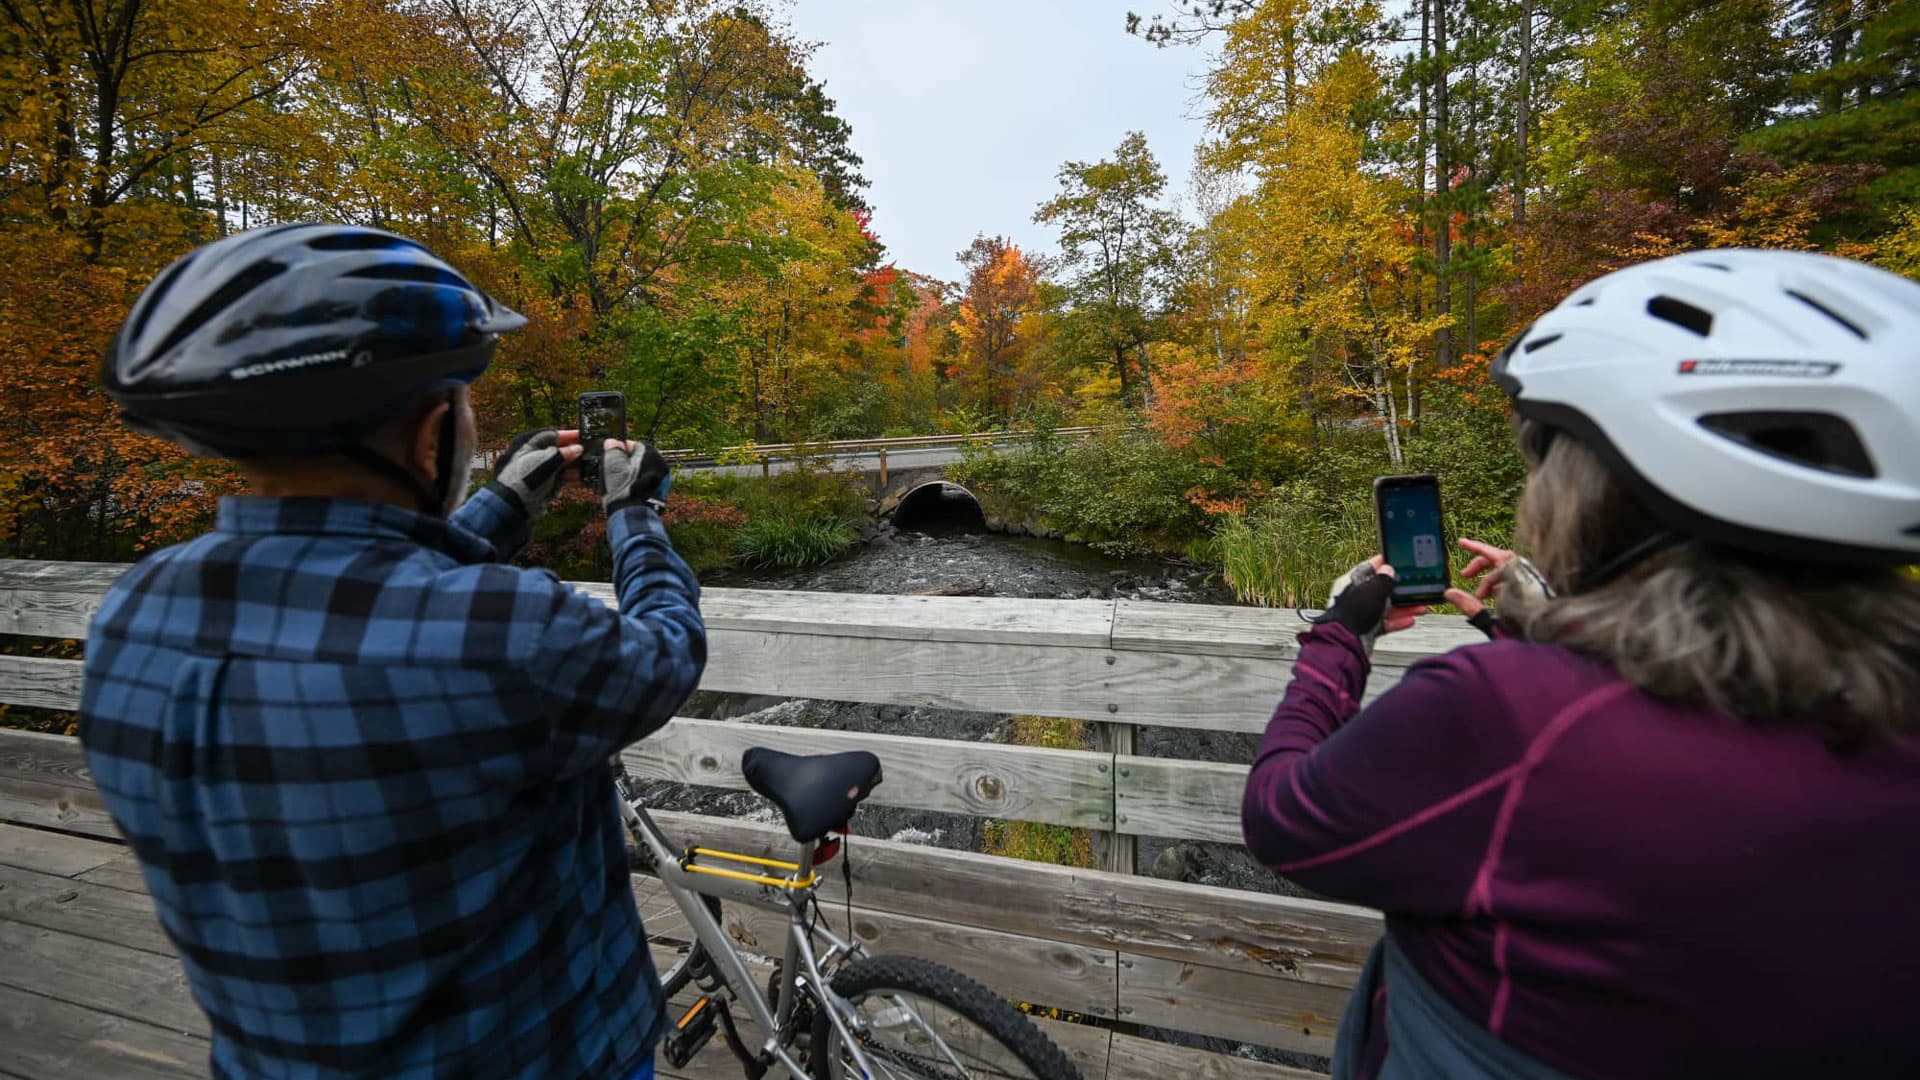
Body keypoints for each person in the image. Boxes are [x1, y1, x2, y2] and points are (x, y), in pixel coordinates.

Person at [1241, 248, 1920, 1079]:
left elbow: (1283, 815)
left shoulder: (1505, 715)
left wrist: (1342, 634)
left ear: (1604, 486)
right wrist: (1530, 623)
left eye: (1548, 462)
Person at [78, 224, 705, 1080]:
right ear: (426, 434)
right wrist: (636, 517)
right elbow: (663, 654)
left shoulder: (139, 612)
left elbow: (373, 594)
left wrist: (502, 507)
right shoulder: (502, 631)